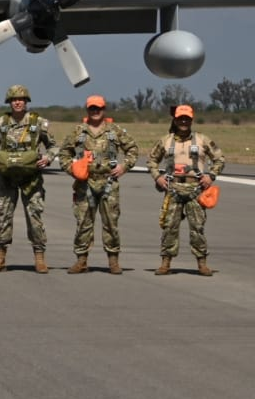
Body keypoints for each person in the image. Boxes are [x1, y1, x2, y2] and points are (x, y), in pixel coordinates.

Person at [56, 95, 138, 274]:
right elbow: (63, 154)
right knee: (83, 222)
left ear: (104, 110)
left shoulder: (115, 131)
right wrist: (73, 169)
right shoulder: (78, 132)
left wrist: (124, 167)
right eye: (92, 108)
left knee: (111, 223)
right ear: (87, 109)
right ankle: (81, 260)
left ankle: (113, 260)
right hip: (84, 184)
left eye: (98, 108)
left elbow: (132, 149)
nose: (95, 112)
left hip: (108, 182)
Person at [146, 104, 224, 276]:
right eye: (180, 118)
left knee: (197, 228)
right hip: (172, 189)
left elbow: (219, 159)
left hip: (196, 190)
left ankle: (202, 263)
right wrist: (157, 177)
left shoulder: (202, 140)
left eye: (187, 118)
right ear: (175, 119)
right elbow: (151, 160)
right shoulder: (165, 141)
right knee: (169, 228)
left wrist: (210, 176)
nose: (183, 121)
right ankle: (165, 263)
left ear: (191, 120)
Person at [0, 84, 55, 273]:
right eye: (14, 100)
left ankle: (39, 257)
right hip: (6, 177)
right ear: (9, 102)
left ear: (26, 102)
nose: (17, 102)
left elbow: (54, 146)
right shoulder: (0, 123)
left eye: (21, 99)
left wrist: (47, 158)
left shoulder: (39, 123)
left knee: (35, 217)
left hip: (30, 179)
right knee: (3, 216)